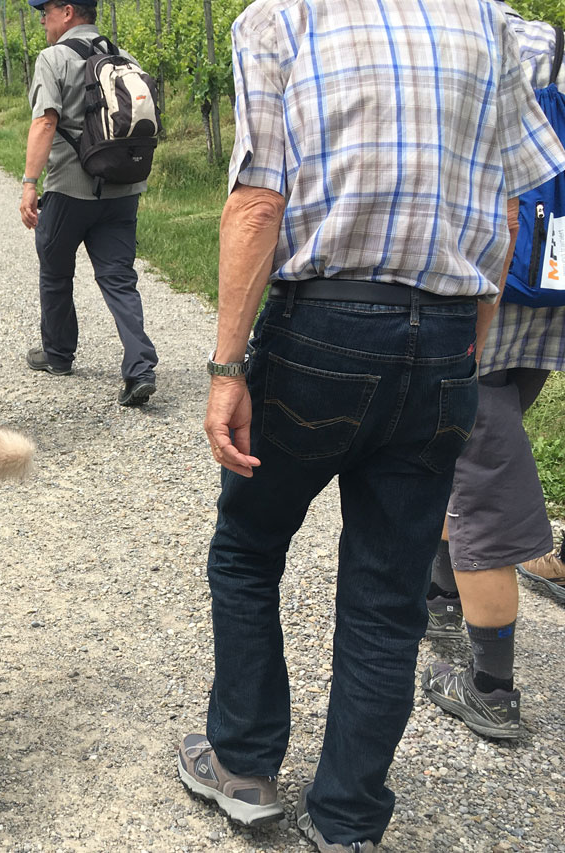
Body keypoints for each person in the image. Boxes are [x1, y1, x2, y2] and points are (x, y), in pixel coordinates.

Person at [174, 1, 565, 851]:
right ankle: (348, 819)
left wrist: (226, 369)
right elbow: (502, 214)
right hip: (448, 332)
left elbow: (257, 202)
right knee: (388, 598)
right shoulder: (490, 26)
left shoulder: (282, 18)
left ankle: (242, 762)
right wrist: (468, 350)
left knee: (248, 545)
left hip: (323, 324)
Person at [422, 4, 565, 740]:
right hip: (548, 294)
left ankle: (492, 689)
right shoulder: (548, 39)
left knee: (480, 484)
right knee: (470, 456)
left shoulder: (444, 35)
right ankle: (442, 591)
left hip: (479, 286)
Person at [19, 0, 159, 407]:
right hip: (122, 187)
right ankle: (140, 369)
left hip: (69, 189)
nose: (42, 19)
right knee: (119, 278)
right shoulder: (125, 57)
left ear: (67, 12)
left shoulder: (54, 58)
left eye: (44, 11)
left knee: (56, 270)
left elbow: (45, 121)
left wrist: (30, 182)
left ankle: (59, 355)